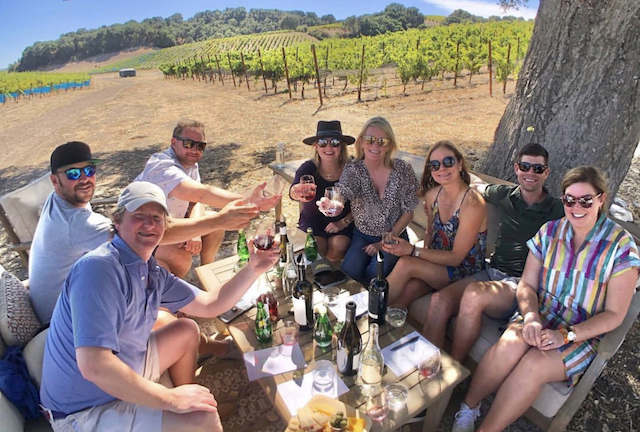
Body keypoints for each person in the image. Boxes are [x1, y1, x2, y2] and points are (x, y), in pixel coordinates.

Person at [39, 181, 280, 432]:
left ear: (165, 226)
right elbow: (94, 365)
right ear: (118, 223)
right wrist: (171, 400)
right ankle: (183, 413)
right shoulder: (98, 269)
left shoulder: (149, 271)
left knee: (186, 329)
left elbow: (211, 304)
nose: (149, 224)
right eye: (139, 216)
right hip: (84, 410)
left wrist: (253, 268)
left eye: (157, 217)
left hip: (126, 365)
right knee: (203, 418)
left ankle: (180, 404)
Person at [451, 166, 640, 432]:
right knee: (510, 345)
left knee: (534, 364)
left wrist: (566, 335)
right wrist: (530, 317)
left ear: (601, 199)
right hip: (542, 312)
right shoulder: (550, 232)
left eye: (586, 200)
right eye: (569, 199)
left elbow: (614, 315)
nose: (577, 207)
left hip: (581, 331)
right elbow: (527, 284)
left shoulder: (620, 247)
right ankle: (468, 409)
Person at [29, 141, 258, 326]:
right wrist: (220, 220)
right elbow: (157, 233)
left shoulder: (60, 202)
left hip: (79, 294)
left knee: (164, 272)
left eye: (89, 170)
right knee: (169, 319)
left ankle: (199, 336)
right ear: (54, 181)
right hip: (64, 317)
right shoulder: (77, 222)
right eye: (73, 174)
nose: (84, 179)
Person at [424, 143, 565, 361]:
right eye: (525, 167)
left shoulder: (559, 209)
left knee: (473, 294)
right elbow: (477, 187)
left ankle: (453, 371)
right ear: (517, 168)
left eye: (537, 169)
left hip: (521, 284)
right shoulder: (504, 195)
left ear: (546, 173)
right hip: (491, 271)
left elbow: (593, 217)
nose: (530, 173)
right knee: (439, 300)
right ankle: (426, 366)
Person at [136, 119, 280, 278]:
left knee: (216, 223)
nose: (194, 150)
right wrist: (250, 201)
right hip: (144, 231)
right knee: (180, 257)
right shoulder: (162, 165)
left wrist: (195, 233)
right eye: (188, 144)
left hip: (172, 222)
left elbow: (196, 201)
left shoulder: (189, 164)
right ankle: (173, 292)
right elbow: (200, 193)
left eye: (200, 146)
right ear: (174, 142)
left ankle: (206, 273)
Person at [384, 141, 487, 318]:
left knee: (406, 263)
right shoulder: (433, 196)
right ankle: (386, 329)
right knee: (404, 295)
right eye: (435, 165)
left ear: (460, 164)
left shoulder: (472, 203)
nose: (442, 169)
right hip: (438, 263)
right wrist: (424, 259)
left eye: (448, 162)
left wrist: (413, 251)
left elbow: (456, 259)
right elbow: (430, 233)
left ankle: (369, 310)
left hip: (464, 270)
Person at [337, 116, 419, 285]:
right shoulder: (353, 170)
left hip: (394, 234)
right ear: (361, 142)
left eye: (382, 141)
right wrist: (333, 202)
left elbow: (408, 212)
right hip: (362, 235)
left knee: (376, 272)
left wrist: (385, 241)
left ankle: (373, 308)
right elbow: (344, 190)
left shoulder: (403, 170)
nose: (375, 145)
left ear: (389, 145)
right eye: (369, 140)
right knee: (349, 271)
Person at [289, 120, 354, 262]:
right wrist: (297, 191)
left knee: (339, 245)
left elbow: (362, 202)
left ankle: (329, 274)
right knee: (316, 246)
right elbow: (293, 192)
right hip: (313, 221)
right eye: (323, 142)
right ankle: (322, 273)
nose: (329, 147)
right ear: (316, 146)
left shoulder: (352, 168)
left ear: (342, 146)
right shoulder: (308, 168)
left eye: (335, 142)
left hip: (342, 221)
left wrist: (343, 222)